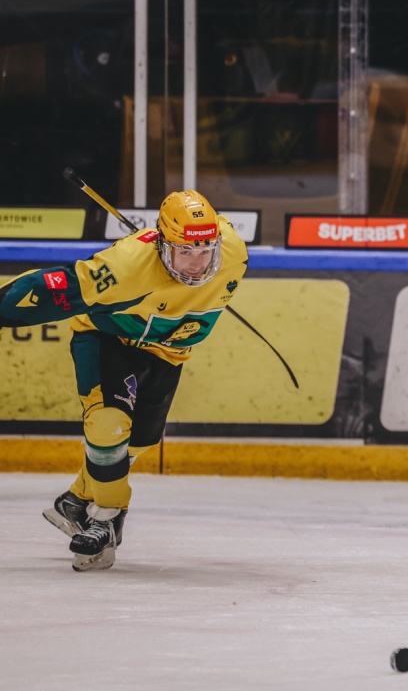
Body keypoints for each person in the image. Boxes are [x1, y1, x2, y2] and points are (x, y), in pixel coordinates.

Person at [0, 191, 248, 571]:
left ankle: (75, 501)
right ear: (163, 244)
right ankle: (106, 518)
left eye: (205, 251)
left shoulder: (232, 250)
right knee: (107, 425)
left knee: (137, 445)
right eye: (185, 252)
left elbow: (210, 249)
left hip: (167, 354)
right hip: (107, 338)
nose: (197, 265)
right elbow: (53, 287)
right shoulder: (127, 265)